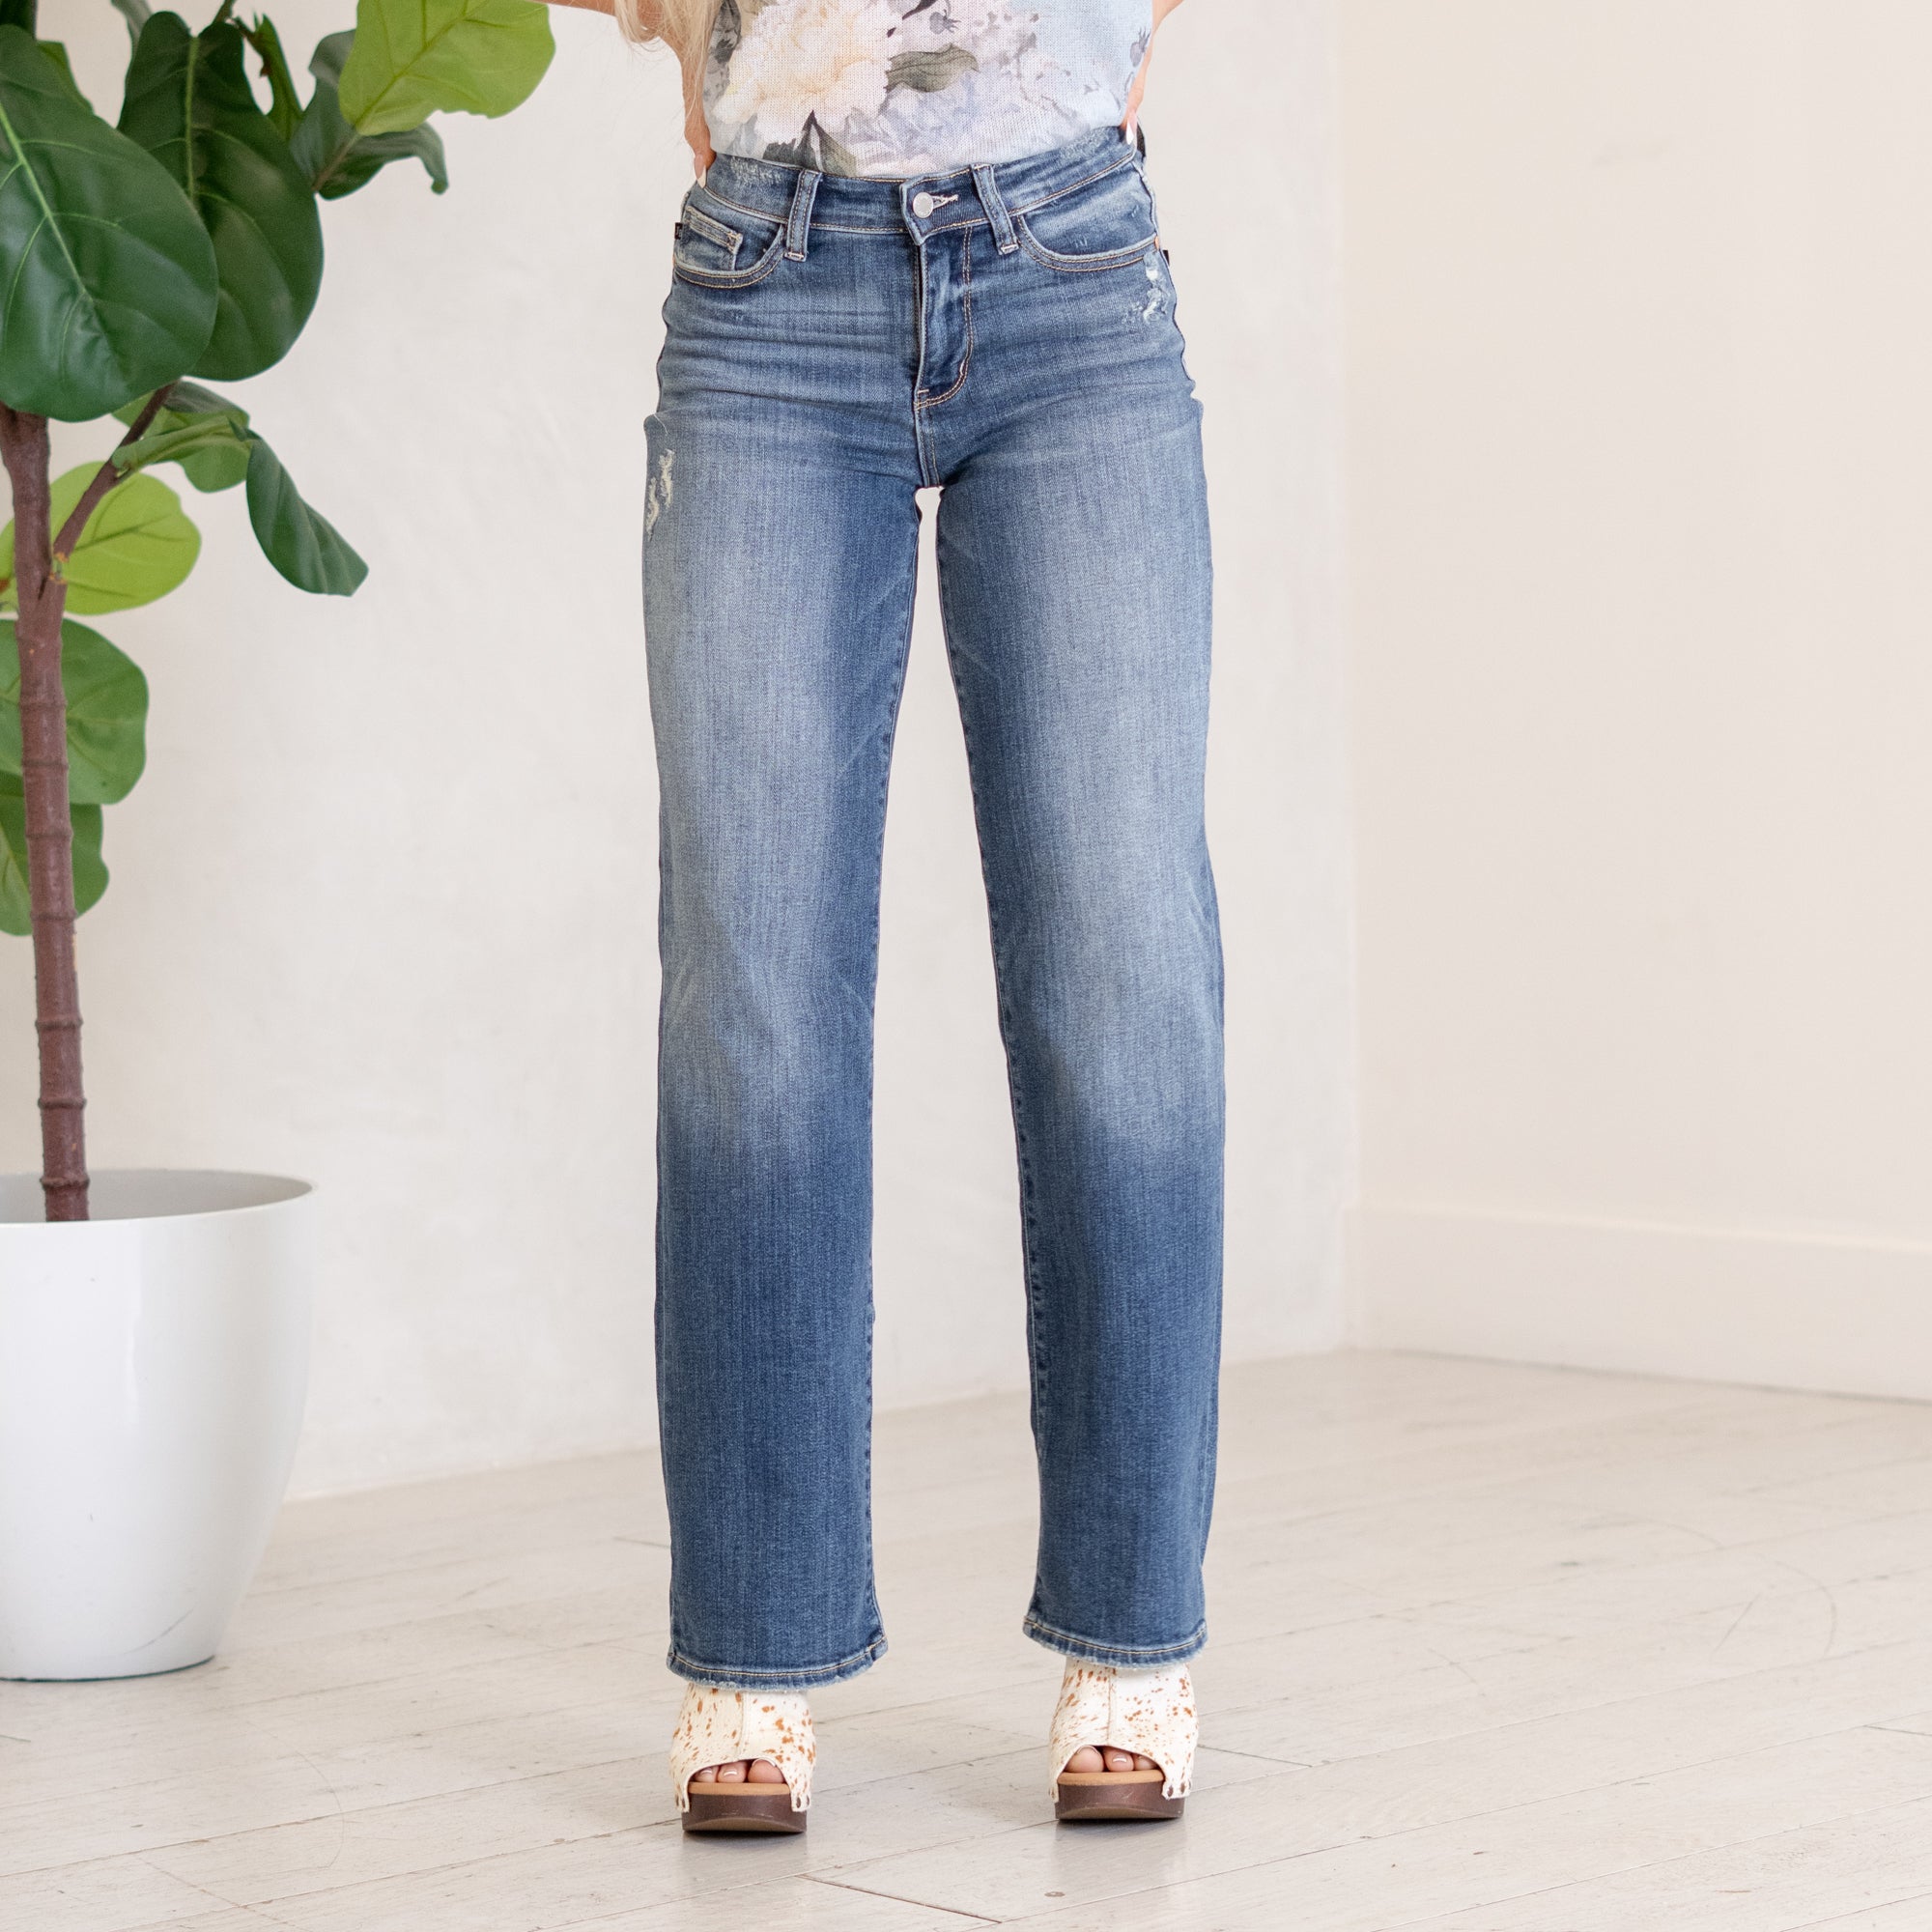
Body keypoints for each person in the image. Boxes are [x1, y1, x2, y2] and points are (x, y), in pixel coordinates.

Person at [535, 0, 1218, 1833]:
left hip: (1074, 264)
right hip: (770, 283)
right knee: (751, 987)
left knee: (1127, 973)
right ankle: (754, 1645)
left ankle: (1134, 1629)